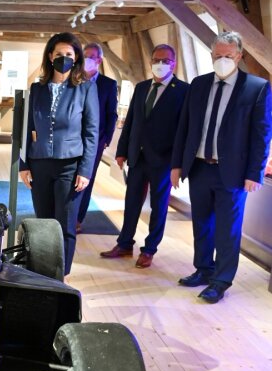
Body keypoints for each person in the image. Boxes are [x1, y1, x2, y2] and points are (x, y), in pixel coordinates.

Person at [171, 31, 272, 303]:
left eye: (228, 56)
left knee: (228, 229)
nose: (223, 60)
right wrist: (177, 165)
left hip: (234, 173)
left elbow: (262, 135)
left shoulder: (257, 87)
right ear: (211, 56)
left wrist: (255, 172)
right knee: (201, 223)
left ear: (239, 56)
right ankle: (203, 270)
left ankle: (221, 280)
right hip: (200, 167)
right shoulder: (199, 84)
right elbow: (185, 127)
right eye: (218, 56)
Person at [100, 44, 189, 268]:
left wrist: (177, 163)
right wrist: (121, 152)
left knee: (159, 207)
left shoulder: (183, 91)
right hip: (137, 157)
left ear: (174, 63)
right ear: (150, 62)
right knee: (131, 202)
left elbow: (183, 130)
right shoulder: (140, 88)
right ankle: (125, 244)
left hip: (164, 160)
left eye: (165, 61)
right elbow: (130, 122)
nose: (160, 65)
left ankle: (149, 249)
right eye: (156, 60)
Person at [19, 32, 98, 273]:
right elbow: (27, 127)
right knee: (42, 222)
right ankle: (42, 271)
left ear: (76, 59)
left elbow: (91, 132)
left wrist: (85, 170)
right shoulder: (37, 88)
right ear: (50, 56)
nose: (63, 58)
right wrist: (24, 164)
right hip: (39, 163)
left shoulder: (84, 89)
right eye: (59, 54)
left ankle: (60, 274)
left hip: (70, 166)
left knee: (64, 225)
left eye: (69, 55)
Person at [76, 42, 118, 230]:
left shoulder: (108, 84)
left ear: (99, 60)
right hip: (73, 139)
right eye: (85, 55)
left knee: (87, 179)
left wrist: (106, 139)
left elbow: (112, 114)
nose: (87, 59)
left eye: (91, 56)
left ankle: (78, 219)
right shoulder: (74, 79)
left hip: (96, 142)